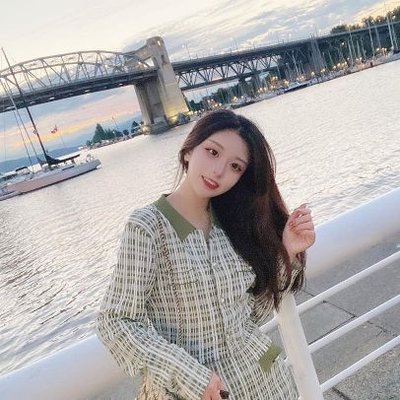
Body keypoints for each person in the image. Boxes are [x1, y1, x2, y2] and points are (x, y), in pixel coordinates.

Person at [96, 109, 315, 400]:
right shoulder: (149, 227)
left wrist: (287, 251)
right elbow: (115, 320)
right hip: (197, 393)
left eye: (235, 166)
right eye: (212, 152)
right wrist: (189, 375)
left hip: (266, 383)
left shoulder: (232, 223)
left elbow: (252, 315)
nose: (218, 171)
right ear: (189, 150)